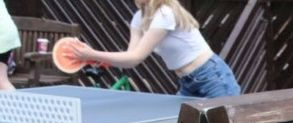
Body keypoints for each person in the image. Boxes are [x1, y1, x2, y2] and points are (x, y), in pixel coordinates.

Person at [68, 0, 239, 99]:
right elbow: (129, 58)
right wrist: (99, 59)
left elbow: (136, 57)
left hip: (211, 76)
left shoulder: (165, 14)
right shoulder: (138, 18)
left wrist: (91, 53)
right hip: (187, 82)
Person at [0, 1, 20, 91]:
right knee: (1, 80)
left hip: (2, 33)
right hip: (6, 33)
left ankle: (16, 104)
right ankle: (16, 104)